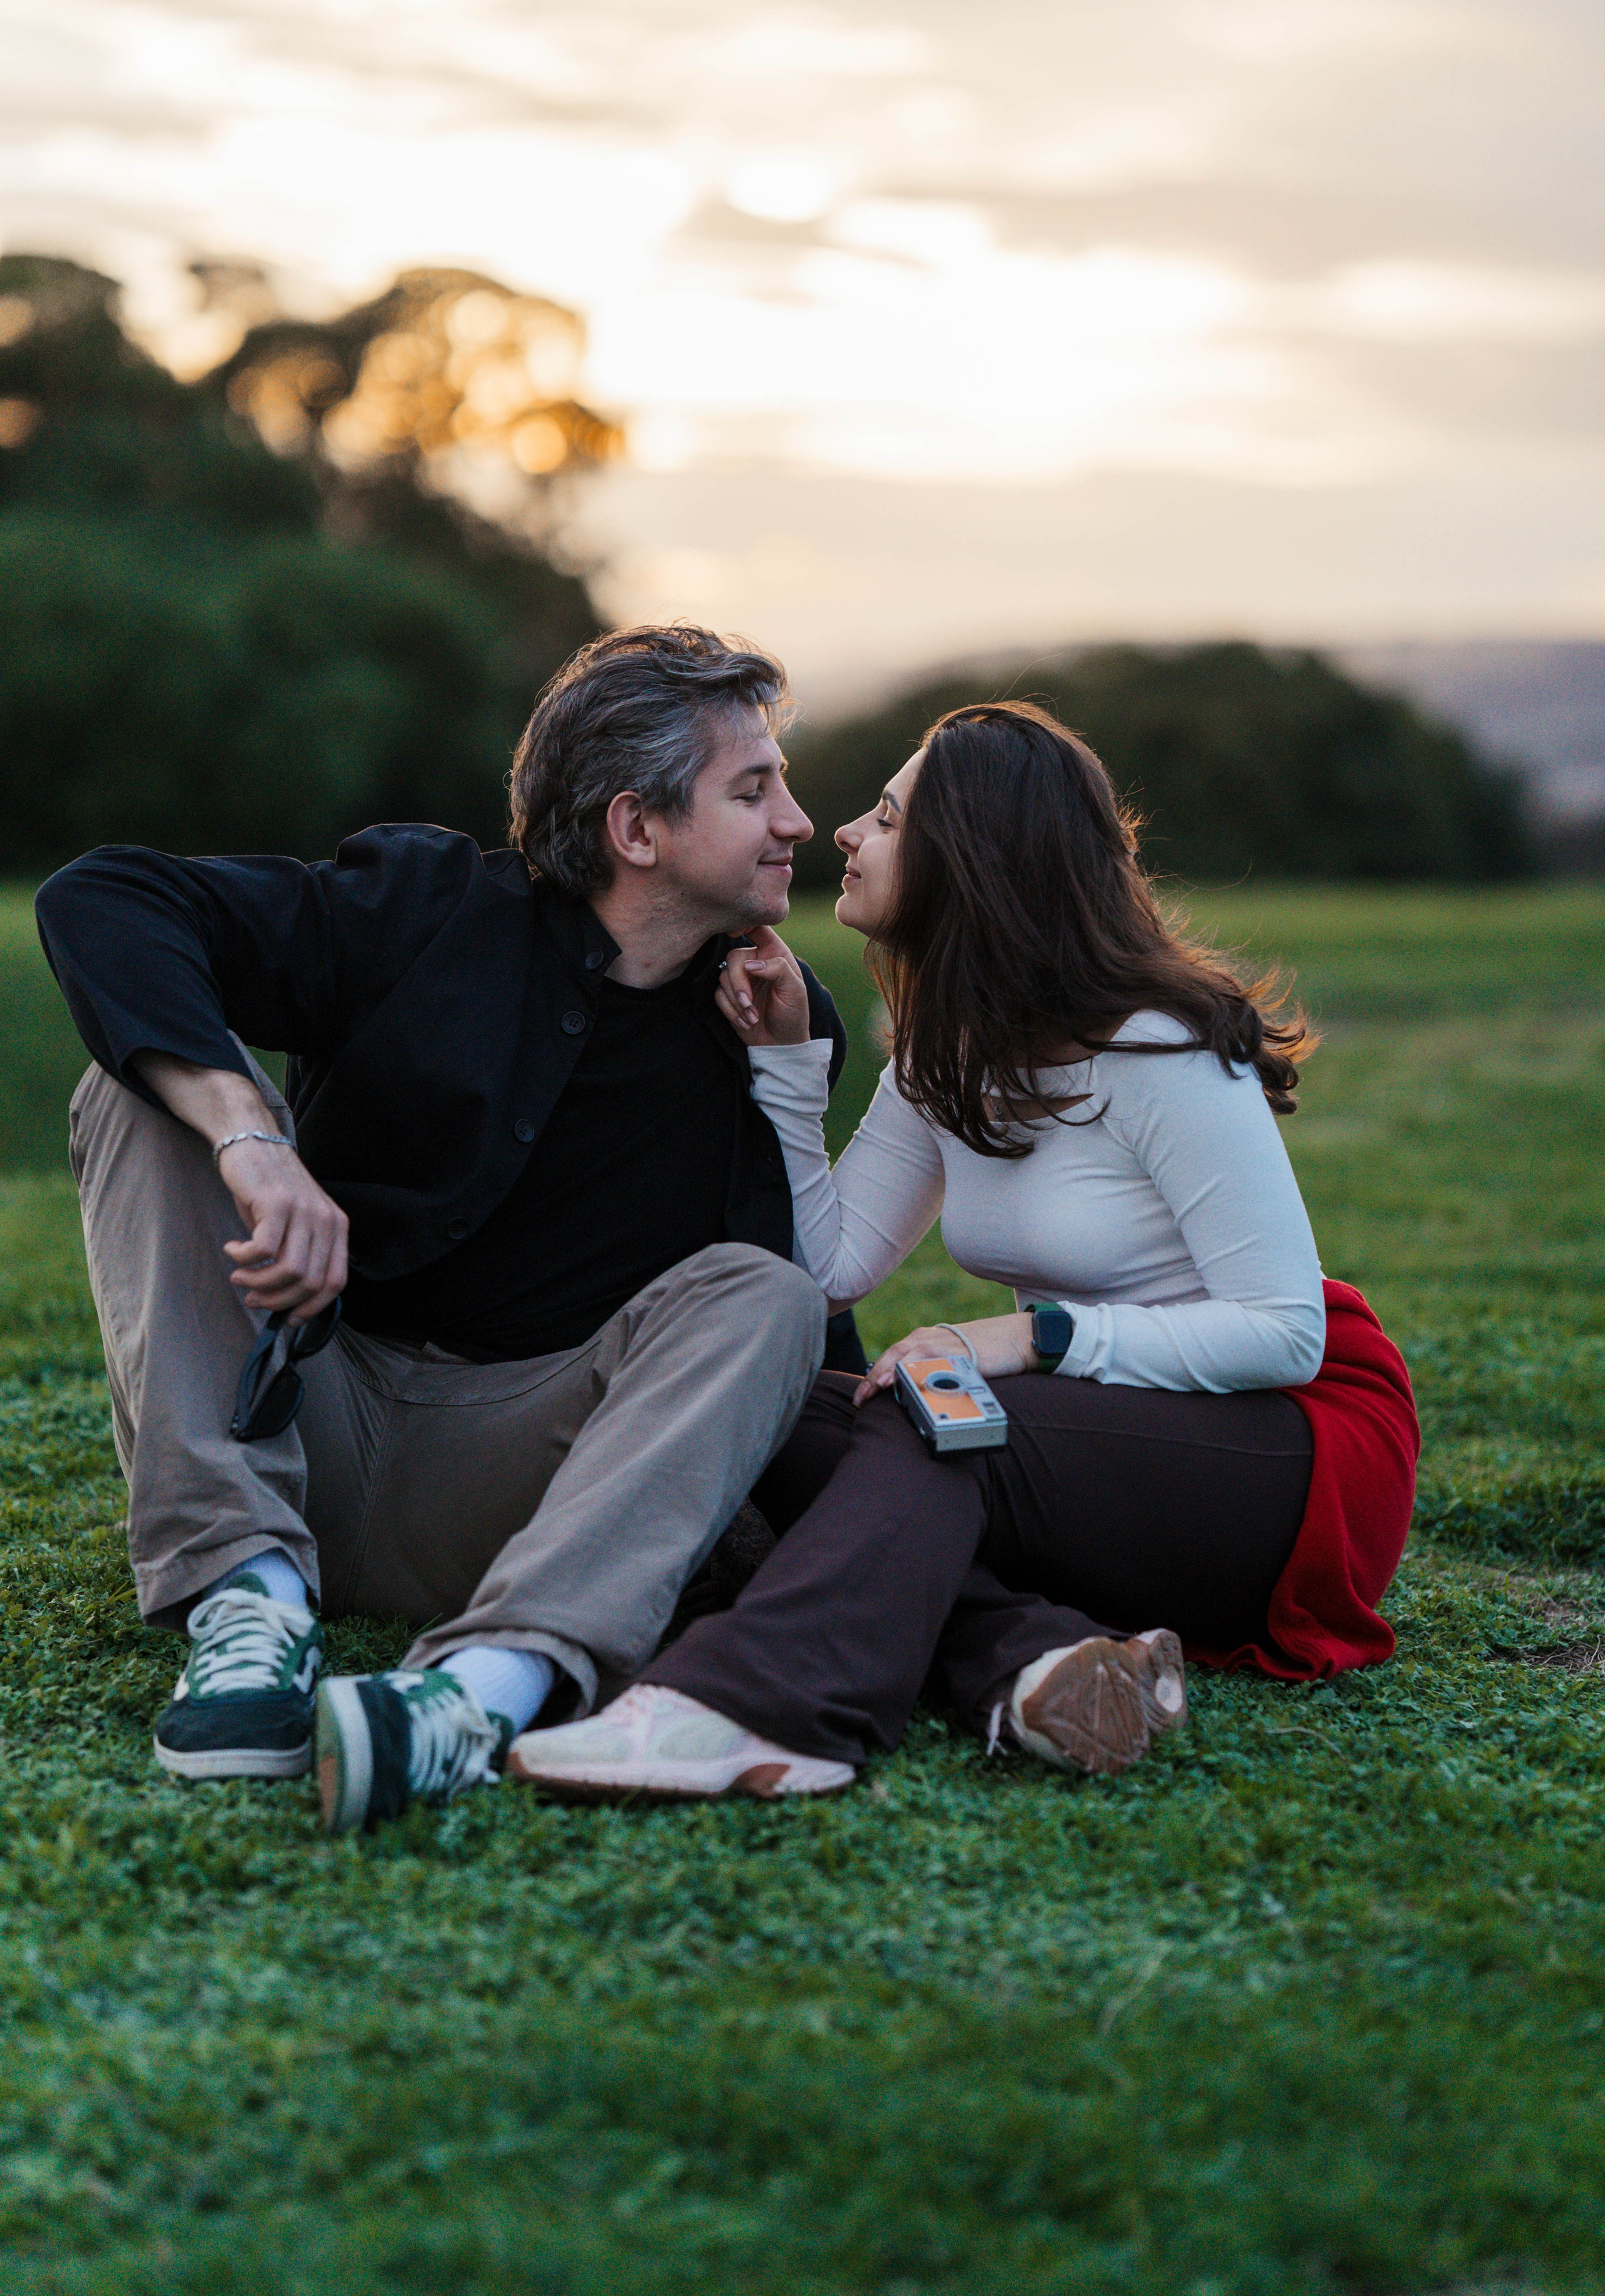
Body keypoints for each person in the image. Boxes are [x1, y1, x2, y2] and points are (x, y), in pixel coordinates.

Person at [508, 700, 1419, 1803]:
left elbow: (1284, 1333)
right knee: (775, 1409)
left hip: (1289, 1456)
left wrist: (1032, 1336)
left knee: (935, 1411)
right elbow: (830, 1274)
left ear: (972, 860)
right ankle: (1028, 1663)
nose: (844, 830)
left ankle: (757, 1709)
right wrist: (791, 1070)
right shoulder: (946, 1052)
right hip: (1090, 1451)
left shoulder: (1161, 1046)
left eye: (887, 818)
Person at [36, 625, 868, 1833]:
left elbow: (802, 1312)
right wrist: (250, 1136)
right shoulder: (421, 908)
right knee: (138, 1086)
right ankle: (246, 1607)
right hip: (293, 1408)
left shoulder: (772, 1019)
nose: (796, 821)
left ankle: (480, 1694)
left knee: (767, 1291)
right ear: (637, 831)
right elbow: (105, 896)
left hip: (519, 1492)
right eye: (755, 790)